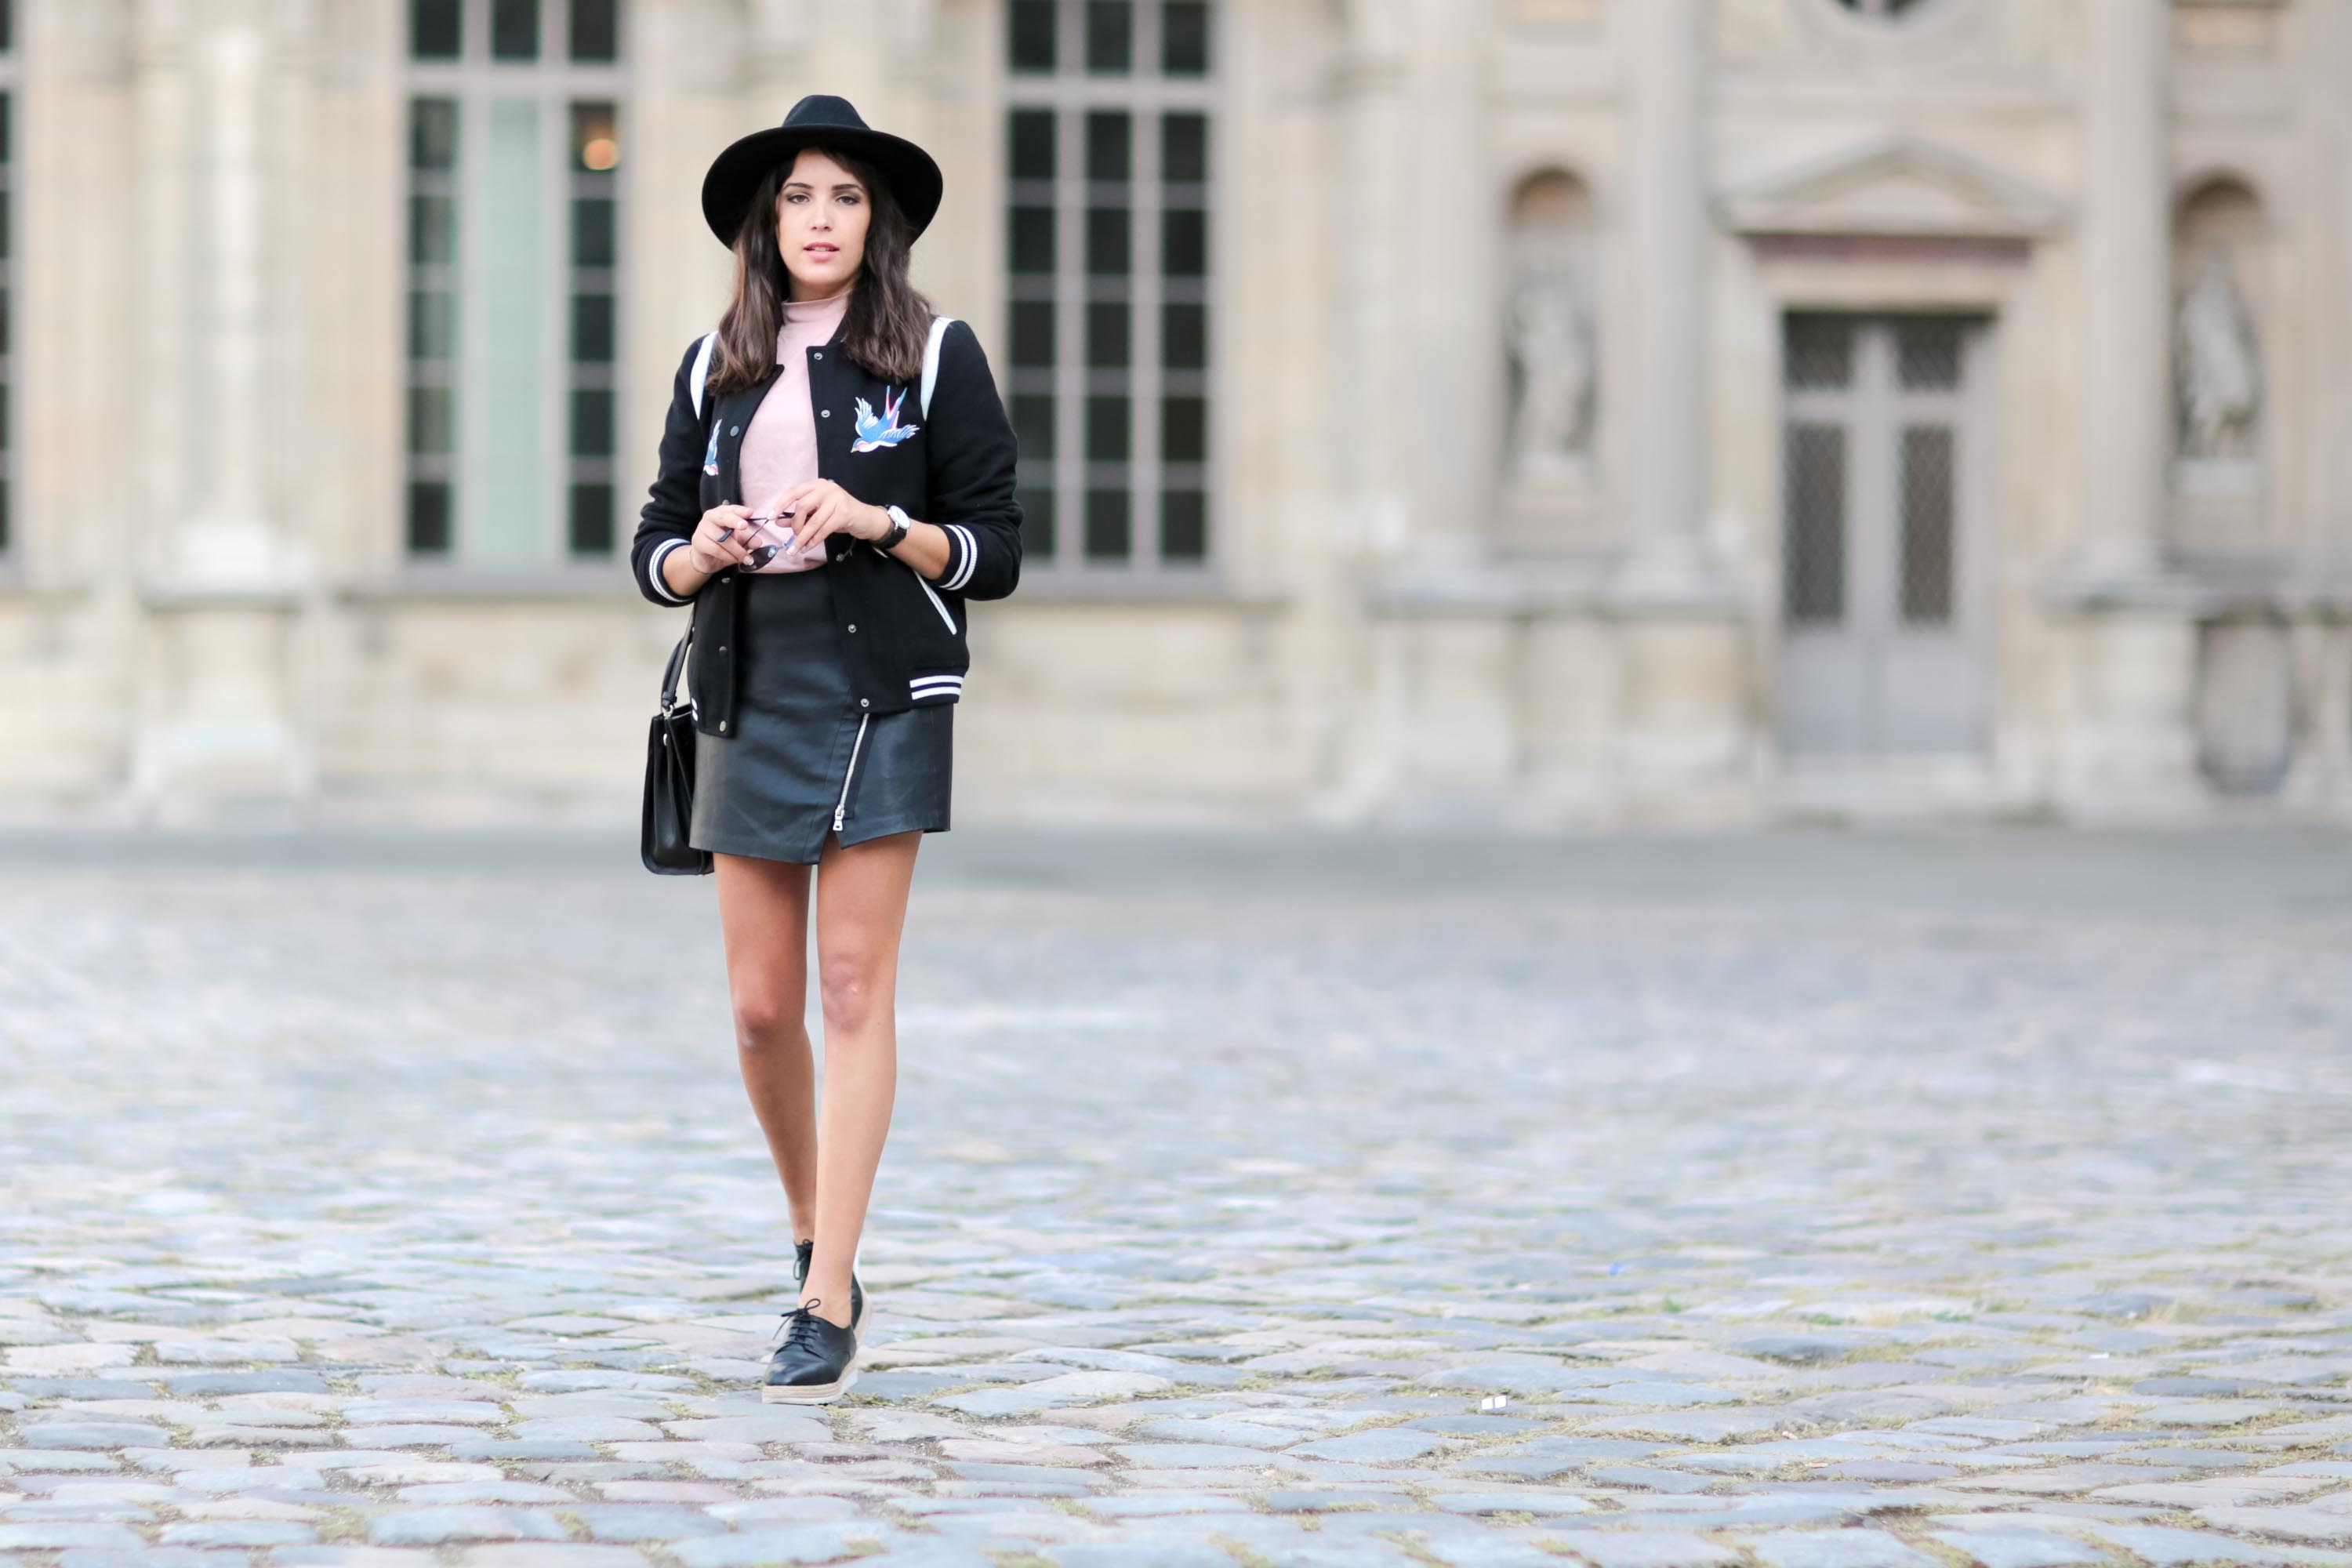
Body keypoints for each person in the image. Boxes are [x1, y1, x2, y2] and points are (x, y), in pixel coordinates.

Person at [628, 96, 1022, 1403]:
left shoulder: (936, 351)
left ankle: (825, 1292)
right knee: (758, 1012)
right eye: (799, 197)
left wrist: (872, 517)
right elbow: (653, 548)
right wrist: (706, 551)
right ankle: (817, 1234)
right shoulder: (711, 364)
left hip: (883, 684)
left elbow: (995, 550)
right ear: (765, 220)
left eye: (845, 197)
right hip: (752, 680)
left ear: (879, 221)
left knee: (853, 989)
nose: (820, 219)